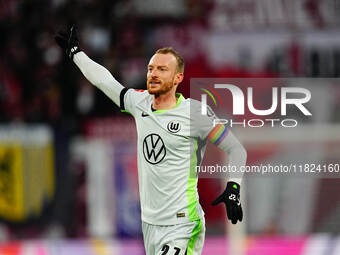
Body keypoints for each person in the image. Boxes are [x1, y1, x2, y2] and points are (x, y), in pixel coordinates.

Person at [55, 25, 247, 255]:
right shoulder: (140, 103)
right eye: (150, 68)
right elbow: (105, 81)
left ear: (178, 78)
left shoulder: (195, 113)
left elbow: (236, 149)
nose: (153, 74)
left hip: (182, 223)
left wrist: (233, 186)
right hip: (150, 224)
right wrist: (76, 53)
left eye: (162, 69)